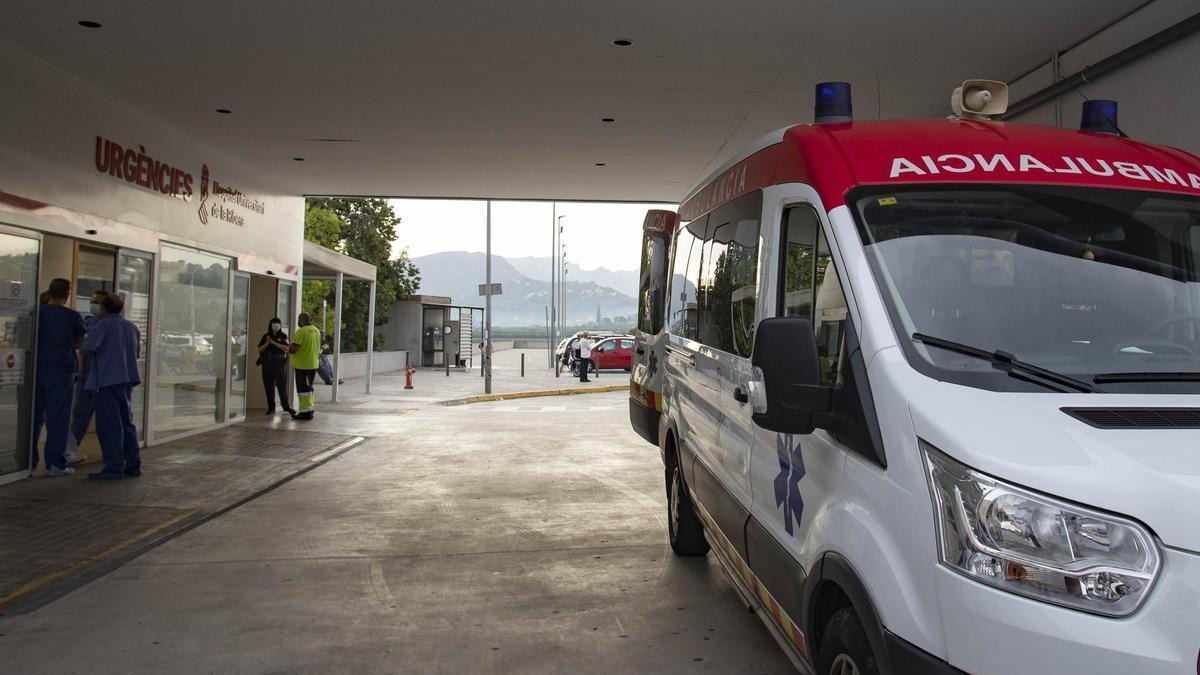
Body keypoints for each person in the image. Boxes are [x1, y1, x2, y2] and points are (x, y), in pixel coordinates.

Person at [79, 293, 142, 480]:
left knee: (109, 425)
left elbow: (86, 348)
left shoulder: (102, 326)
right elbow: (136, 352)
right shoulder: (131, 327)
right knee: (126, 424)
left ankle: (113, 467)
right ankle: (133, 464)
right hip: (126, 381)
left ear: (104, 309)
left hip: (107, 381)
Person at [32, 278, 86, 477]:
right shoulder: (71, 317)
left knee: (33, 417)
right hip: (61, 372)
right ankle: (55, 464)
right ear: (67, 294)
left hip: (37, 370)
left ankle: (28, 462)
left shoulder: (36, 313)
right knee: (58, 419)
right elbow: (81, 342)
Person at [67, 289, 108, 463]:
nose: (93, 305)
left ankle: (111, 453)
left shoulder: (111, 326)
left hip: (104, 381)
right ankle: (71, 452)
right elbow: (79, 346)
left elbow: (86, 347)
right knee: (79, 417)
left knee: (107, 421)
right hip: (85, 378)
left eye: (97, 302)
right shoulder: (88, 322)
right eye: (92, 301)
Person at [257, 317, 295, 416]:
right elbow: (260, 349)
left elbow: (286, 348)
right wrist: (267, 342)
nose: (275, 326)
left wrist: (273, 342)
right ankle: (271, 408)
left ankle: (286, 407)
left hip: (279, 364)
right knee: (269, 386)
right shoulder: (266, 336)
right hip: (267, 363)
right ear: (270, 325)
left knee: (281, 385)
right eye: (274, 324)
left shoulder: (282, 336)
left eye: (277, 324)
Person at [289, 312, 321, 420]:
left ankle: (305, 412)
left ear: (301, 320)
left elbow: (294, 349)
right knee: (309, 389)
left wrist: (288, 347)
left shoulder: (301, 331)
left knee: (303, 390)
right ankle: (309, 410)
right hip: (313, 364)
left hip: (303, 365)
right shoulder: (316, 331)